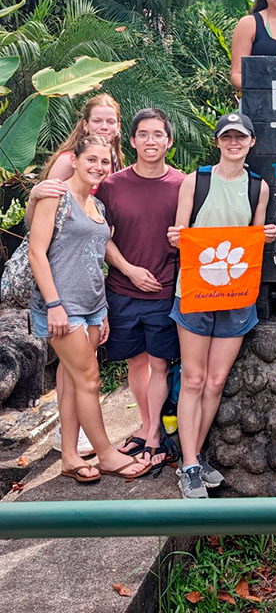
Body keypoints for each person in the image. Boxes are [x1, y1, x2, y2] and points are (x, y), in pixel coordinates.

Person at [167, 113, 276, 498]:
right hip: (195, 291)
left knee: (215, 381)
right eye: (227, 136)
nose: (233, 142)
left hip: (236, 294)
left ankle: (191, 458)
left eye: (240, 137)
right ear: (217, 142)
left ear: (251, 142)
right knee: (194, 379)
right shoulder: (194, 181)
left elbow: (255, 238)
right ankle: (192, 463)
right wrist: (176, 236)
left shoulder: (257, 188)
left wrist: (265, 236)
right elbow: (180, 236)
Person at [28, 135, 149, 483]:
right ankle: (108, 455)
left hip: (93, 306)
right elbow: (37, 253)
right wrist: (53, 305)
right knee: (89, 379)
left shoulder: (98, 206)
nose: (98, 167)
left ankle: (69, 456)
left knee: (72, 382)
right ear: (76, 160)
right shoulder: (57, 196)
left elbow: (97, 259)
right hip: (62, 306)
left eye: (105, 162)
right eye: (91, 159)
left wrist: (104, 311)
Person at [25, 93, 124, 458]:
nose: (104, 127)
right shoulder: (68, 163)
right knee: (84, 375)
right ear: (84, 125)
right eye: (97, 121)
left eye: (110, 121)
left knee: (73, 372)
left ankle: (68, 445)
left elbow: (97, 238)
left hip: (90, 297)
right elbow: (40, 234)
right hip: (61, 292)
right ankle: (101, 451)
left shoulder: (104, 178)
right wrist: (35, 197)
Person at [95, 109, 183, 467]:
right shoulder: (112, 186)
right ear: (131, 141)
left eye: (158, 134)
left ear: (169, 142)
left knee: (160, 364)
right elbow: (101, 237)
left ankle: (154, 436)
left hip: (164, 291)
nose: (151, 141)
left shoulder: (184, 185)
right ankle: (147, 427)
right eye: (143, 134)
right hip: (123, 289)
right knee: (136, 363)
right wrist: (130, 271)